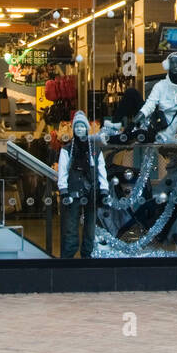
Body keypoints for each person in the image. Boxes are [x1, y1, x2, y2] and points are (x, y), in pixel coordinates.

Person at [56, 110, 110, 258]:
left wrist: (104, 189)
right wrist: (64, 190)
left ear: (87, 128)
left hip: (92, 191)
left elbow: (101, 170)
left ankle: (87, 254)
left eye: (82, 126)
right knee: (71, 226)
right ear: (73, 129)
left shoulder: (94, 149)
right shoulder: (67, 149)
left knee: (90, 227)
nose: (79, 129)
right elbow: (63, 171)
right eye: (77, 126)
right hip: (73, 190)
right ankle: (69, 256)